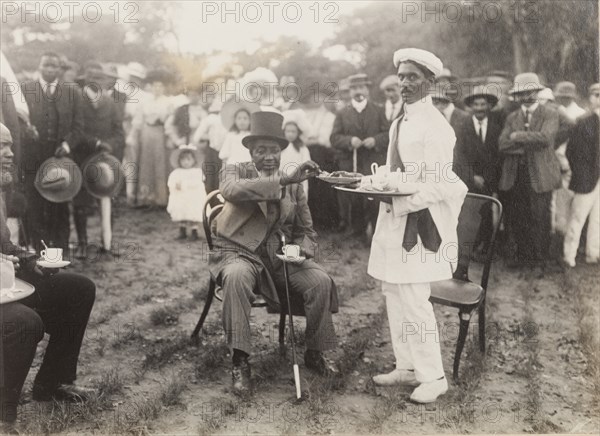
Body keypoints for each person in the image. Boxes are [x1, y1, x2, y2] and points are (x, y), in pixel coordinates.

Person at [209, 111, 338, 395]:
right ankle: (240, 361)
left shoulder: (292, 182)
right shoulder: (235, 171)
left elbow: (306, 228)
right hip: (238, 252)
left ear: (282, 151)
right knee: (237, 278)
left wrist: (303, 249)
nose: (268, 157)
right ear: (250, 152)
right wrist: (281, 181)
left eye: (274, 151)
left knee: (320, 281)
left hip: (279, 255)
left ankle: (315, 351)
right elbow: (229, 191)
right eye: (260, 151)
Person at [368, 49, 467, 404]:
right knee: (393, 292)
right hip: (396, 217)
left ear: (430, 82)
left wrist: (401, 200)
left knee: (413, 298)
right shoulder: (400, 121)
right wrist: (376, 184)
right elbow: (400, 171)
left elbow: (441, 182)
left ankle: (433, 376)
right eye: (402, 75)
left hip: (422, 223)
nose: (405, 83)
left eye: (412, 76)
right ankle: (407, 365)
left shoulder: (436, 126)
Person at [0, 123, 96, 430]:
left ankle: (53, 383)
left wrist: (29, 259)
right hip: (3, 285)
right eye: (2, 147)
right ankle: (5, 413)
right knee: (27, 322)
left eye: (10, 147)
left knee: (78, 288)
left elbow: (4, 244)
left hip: (5, 282)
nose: (10, 154)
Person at [21, 52, 84, 253]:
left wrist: (66, 145)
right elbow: (18, 121)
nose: (50, 69)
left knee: (60, 205)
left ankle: (61, 251)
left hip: (61, 158)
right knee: (35, 205)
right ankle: (39, 252)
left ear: (60, 69)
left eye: (54, 66)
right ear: (39, 66)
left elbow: (78, 126)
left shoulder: (72, 92)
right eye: (46, 64)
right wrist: (27, 132)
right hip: (33, 157)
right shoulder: (26, 89)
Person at [498, 72, 561, 269]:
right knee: (519, 216)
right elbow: (502, 144)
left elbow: (546, 139)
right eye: (521, 93)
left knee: (540, 216)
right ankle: (522, 256)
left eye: (529, 92)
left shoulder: (550, 113)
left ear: (536, 92)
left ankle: (540, 257)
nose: (525, 97)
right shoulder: (512, 116)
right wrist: (526, 141)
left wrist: (517, 136)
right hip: (517, 175)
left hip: (540, 174)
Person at [330, 73, 389, 240]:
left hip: (373, 163)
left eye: (361, 87)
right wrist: (350, 140)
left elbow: (388, 134)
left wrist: (375, 140)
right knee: (354, 197)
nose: (358, 91)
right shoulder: (342, 113)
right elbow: (334, 138)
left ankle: (377, 234)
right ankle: (358, 232)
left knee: (374, 197)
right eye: (354, 88)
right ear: (349, 92)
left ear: (368, 89)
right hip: (352, 163)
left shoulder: (379, 110)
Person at [563, 83, 600, 267]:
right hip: (586, 179)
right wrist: (582, 172)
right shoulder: (583, 122)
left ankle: (593, 253)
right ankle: (569, 255)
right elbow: (571, 151)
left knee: (598, 218)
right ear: (590, 98)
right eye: (596, 95)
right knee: (577, 218)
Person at [127, 69, 173, 208]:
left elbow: (170, 120)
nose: (157, 89)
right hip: (146, 133)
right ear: (151, 87)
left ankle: (160, 198)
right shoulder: (144, 101)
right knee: (146, 163)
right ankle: (145, 197)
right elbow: (138, 120)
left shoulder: (168, 102)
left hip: (160, 132)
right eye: (154, 86)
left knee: (160, 163)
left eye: (160, 86)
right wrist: (133, 135)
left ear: (164, 88)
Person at [454, 85, 503, 195]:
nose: (479, 108)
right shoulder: (462, 127)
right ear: (471, 106)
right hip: (467, 182)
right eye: (476, 104)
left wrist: (488, 178)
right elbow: (459, 155)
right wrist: (472, 177)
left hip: (489, 183)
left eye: (483, 104)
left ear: (489, 106)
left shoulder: (496, 128)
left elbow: (498, 157)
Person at [167, 145, 206, 241]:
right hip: (181, 197)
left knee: (192, 214)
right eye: (183, 160)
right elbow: (171, 181)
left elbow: (198, 182)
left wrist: (185, 184)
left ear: (194, 160)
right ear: (179, 161)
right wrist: (175, 185)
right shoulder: (176, 172)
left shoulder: (197, 172)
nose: (186, 162)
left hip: (192, 197)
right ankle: (182, 231)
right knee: (182, 213)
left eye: (188, 159)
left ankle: (194, 232)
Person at [281, 110, 312, 197]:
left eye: (293, 131)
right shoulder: (280, 148)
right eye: (288, 131)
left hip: (299, 180)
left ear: (298, 133)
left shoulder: (302, 148)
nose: (290, 134)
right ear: (284, 132)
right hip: (284, 179)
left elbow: (307, 164)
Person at [218, 101, 256, 165]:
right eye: (239, 118)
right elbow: (224, 155)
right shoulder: (231, 135)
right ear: (235, 121)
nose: (242, 121)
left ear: (250, 121)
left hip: (249, 165)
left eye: (245, 118)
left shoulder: (252, 136)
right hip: (233, 165)